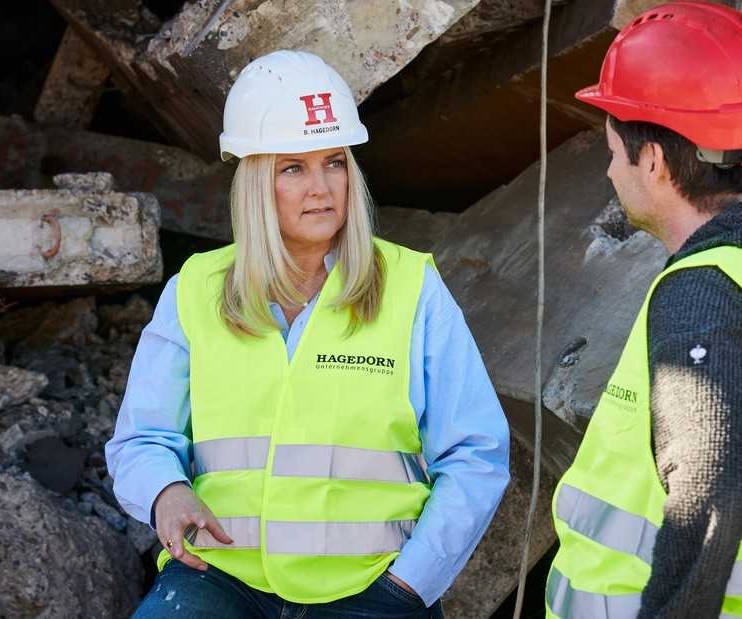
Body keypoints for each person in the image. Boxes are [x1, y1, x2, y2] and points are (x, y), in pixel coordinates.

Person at [106, 50, 510, 618]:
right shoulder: (195, 289)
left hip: (371, 587)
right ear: (254, 181)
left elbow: (475, 455)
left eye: (335, 162)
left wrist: (411, 585)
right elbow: (141, 439)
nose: (322, 187)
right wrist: (165, 493)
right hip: (223, 578)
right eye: (293, 167)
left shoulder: (411, 288)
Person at [545, 3, 742, 618]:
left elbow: (707, 499)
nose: (608, 169)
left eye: (612, 151)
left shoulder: (703, 292)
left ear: (653, 160)